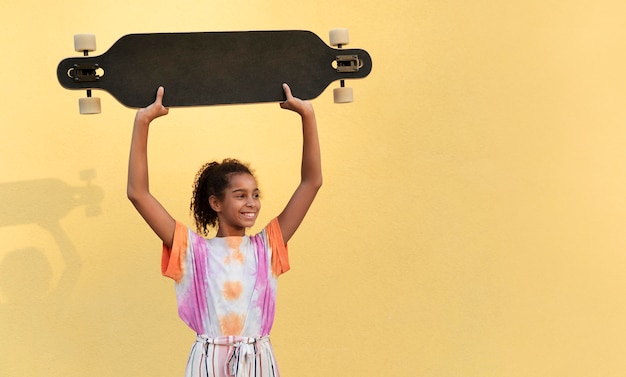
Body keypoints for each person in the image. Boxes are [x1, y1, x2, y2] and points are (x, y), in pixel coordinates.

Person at [127, 84, 322, 377]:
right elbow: (138, 193)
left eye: (255, 194)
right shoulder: (192, 250)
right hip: (208, 362)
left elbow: (311, 182)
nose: (252, 203)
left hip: (258, 360)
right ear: (216, 203)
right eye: (240, 195)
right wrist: (143, 121)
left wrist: (307, 115)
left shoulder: (268, 245)